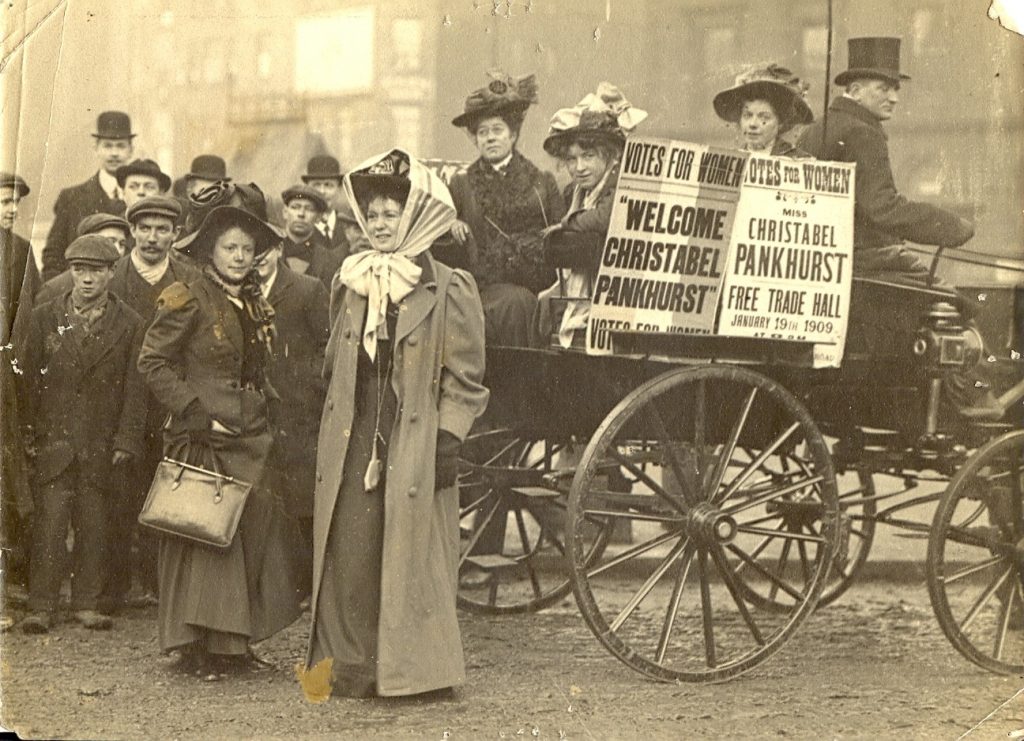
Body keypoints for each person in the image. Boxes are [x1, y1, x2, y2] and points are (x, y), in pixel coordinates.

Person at [306, 149, 489, 698]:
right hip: (358, 429)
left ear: (412, 217)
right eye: (374, 215)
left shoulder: (448, 284)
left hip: (416, 435)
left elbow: (467, 376)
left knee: (413, 551)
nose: (382, 225)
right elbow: (333, 359)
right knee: (353, 546)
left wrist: (448, 439)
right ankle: (353, 667)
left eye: (392, 213)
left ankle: (417, 673)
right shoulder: (352, 280)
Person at [137, 205, 300, 679]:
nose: (239, 256)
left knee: (246, 534)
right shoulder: (187, 296)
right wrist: (194, 414)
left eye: (248, 249)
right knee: (206, 537)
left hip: (248, 435)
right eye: (230, 247)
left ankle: (233, 644)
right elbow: (153, 362)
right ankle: (198, 648)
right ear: (210, 251)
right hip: (204, 435)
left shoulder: (251, 302)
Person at [18, 235, 147, 634]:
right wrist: (29, 436)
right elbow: (26, 381)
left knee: (95, 523)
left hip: (101, 442)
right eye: (79, 270)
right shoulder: (43, 317)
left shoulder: (130, 323)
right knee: (50, 524)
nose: (87, 279)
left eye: (96, 271)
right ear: (70, 271)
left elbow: (135, 390)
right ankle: (41, 604)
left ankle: (86, 602)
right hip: (55, 442)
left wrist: (127, 440)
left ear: (112, 272)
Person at [797, 37, 974, 287]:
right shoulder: (863, 133)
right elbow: (882, 208)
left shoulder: (816, 128)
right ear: (856, 91)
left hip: (816, 263)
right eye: (884, 88)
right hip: (861, 263)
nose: (894, 98)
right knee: (951, 307)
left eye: (896, 90)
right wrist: (950, 226)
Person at [447, 71, 564, 347]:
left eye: (497, 130)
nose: (489, 139)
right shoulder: (462, 185)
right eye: (482, 133)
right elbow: (444, 241)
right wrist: (452, 224)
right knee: (513, 305)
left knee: (523, 303)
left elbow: (561, 237)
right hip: (484, 290)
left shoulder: (541, 183)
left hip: (536, 285)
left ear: (512, 135)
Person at [535, 83, 647, 348]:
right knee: (540, 305)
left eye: (588, 156)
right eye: (572, 159)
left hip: (623, 296)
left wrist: (565, 225)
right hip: (586, 289)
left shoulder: (622, 185)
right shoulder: (573, 193)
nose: (579, 167)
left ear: (611, 156)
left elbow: (604, 217)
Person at [254, 241, 330, 604]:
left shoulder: (307, 289)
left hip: (299, 411)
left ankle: (308, 584)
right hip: (257, 408)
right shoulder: (239, 291)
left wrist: (307, 382)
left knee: (302, 497)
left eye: (264, 249)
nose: (257, 258)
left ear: (278, 248)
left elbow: (326, 347)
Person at [42, 111, 135, 281]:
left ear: (131, 150)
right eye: (107, 146)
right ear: (96, 148)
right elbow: (53, 255)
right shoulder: (71, 198)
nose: (114, 153)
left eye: (121, 146)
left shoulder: (142, 198)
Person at [1, 172, 35, 601]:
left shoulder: (21, 251)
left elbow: (29, 314)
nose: (10, 209)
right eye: (3, 201)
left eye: (14, 202)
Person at [713, 63, 814, 156]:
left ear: (780, 123)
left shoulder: (798, 162)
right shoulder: (732, 160)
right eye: (747, 115)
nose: (753, 124)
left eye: (764, 117)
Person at [34, 213, 132, 305]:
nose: (118, 250)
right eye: (110, 241)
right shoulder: (53, 290)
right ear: (86, 241)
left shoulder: (125, 285)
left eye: (122, 244)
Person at [280, 184, 344, 289]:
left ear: (318, 217)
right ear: (285, 212)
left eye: (309, 209)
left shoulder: (331, 261)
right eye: (295, 207)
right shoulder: (268, 255)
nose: (301, 214)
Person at [301, 155, 349, 251]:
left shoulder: (348, 228)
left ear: (339, 189)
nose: (322, 191)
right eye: (316, 185)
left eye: (328, 185)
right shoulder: (299, 229)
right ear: (307, 189)